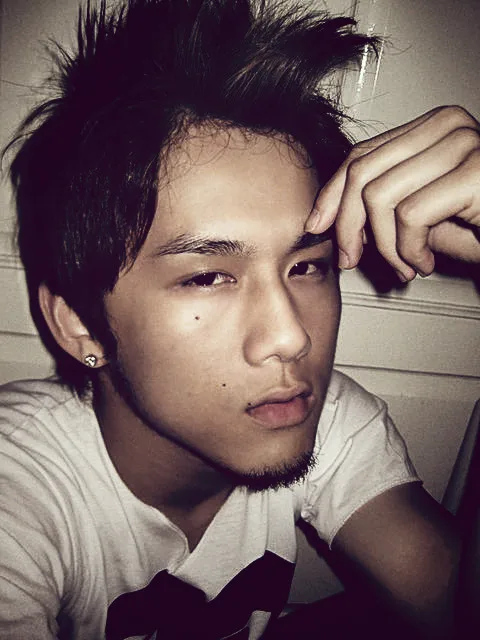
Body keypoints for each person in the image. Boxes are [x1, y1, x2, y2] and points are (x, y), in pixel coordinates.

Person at [0, 0, 478, 638]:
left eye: (306, 267)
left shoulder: (324, 419)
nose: (291, 337)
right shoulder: (17, 485)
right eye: (206, 277)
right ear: (79, 326)